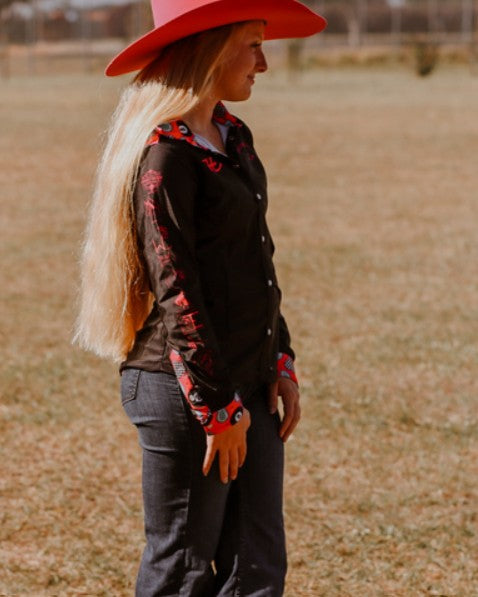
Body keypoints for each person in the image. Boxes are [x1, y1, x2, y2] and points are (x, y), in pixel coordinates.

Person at [75, 1, 326, 595]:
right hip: (183, 390)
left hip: (249, 378)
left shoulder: (233, 136)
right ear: (211, 49)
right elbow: (177, 289)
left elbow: (255, 263)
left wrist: (279, 361)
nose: (264, 63)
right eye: (253, 45)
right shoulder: (165, 157)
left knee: (257, 566)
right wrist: (215, 408)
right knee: (182, 571)